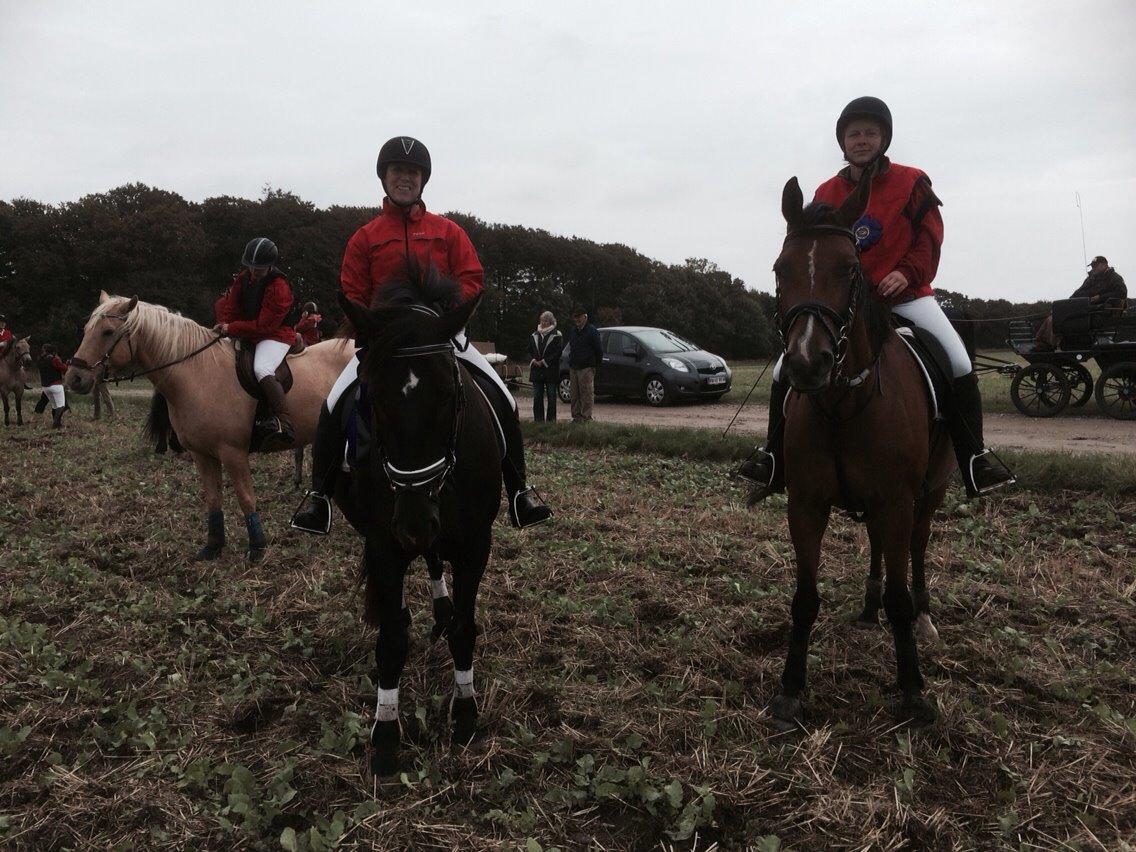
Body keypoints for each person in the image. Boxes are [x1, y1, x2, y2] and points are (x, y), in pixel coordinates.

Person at [735, 96, 1014, 500]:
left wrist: (907, 273)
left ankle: (975, 459)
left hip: (905, 296)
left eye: (870, 133)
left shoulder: (912, 181)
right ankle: (772, 459)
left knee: (958, 361)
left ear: (883, 138)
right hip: (845, 305)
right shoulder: (826, 191)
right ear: (843, 142)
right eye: (854, 134)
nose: (862, 140)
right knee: (784, 369)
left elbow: (930, 236)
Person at [291, 136, 553, 534]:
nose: (404, 179)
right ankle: (319, 497)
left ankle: (520, 491)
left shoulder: (447, 232)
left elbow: (471, 279)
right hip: (385, 346)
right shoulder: (365, 237)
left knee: (503, 398)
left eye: (412, 173)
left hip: (440, 339)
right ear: (385, 178)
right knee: (333, 405)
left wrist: (442, 317)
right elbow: (353, 291)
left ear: (422, 181)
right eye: (397, 172)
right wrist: (374, 328)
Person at [213, 237, 296, 451]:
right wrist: (224, 324)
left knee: (262, 369)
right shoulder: (244, 278)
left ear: (270, 266)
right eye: (250, 266)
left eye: (258, 269)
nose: (253, 271)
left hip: (275, 334)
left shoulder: (279, 288)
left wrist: (232, 328)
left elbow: (264, 326)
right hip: (249, 331)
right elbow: (232, 308)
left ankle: (284, 422)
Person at [1034, 256, 1127, 349]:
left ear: (1104, 265)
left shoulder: (1114, 277)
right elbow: (1079, 292)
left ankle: (1054, 343)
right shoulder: (1091, 278)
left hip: (1099, 310)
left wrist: (1100, 297)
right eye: (1092, 266)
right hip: (1085, 306)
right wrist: (1066, 304)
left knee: (1058, 319)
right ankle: (1042, 343)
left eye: (1095, 266)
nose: (1093, 268)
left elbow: (1121, 293)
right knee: (1053, 316)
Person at [566, 305, 602, 422]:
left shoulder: (592, 331)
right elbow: (571, 347)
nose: (577, 319)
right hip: (574, 367)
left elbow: (598, 350)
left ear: (585, 317)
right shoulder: (573, 331)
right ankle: (576, 417)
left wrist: (594, 365)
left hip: (586, 367)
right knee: (574, 394)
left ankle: (586, 417)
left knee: (586, 393)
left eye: (579, 317)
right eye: (575, 317)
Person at [529, 310, 563, 422]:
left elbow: (558, 352)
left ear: (550, 322)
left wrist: (544, 361)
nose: (543, 322)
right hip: (536, 370)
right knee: (537, 397)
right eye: (542, 320)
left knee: (552, 396)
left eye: (545, 320)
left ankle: (551, 421)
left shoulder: (557, 335)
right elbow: (529, 350)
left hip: (550, 371)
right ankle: (538, 420)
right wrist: (533, 360)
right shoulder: (534, 335)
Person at [37, 343, 68, 429]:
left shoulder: (39, 360)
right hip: (56, 385)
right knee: (61, 406)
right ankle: (55, 423)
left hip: (45, 387)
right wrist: (67, 364)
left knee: (54, 406)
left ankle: (58, 424)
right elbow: (63, 368)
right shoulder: (54, 359)